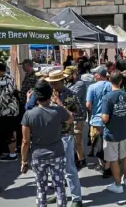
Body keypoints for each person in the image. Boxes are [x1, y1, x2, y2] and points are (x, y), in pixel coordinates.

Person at [21, 80, 73, 207]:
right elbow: (70, 118)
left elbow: (25, 141)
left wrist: (23, 161)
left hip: (38, 156)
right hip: (57, 153)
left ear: (36, 97)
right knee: (59, 187)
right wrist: (60, 104)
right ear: (50, 95)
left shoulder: (29, 115)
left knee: (41, 188)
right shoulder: (58, 111)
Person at [45, 70, 85, 207]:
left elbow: (79, 114)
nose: (53, 86)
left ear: (62, 81)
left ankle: (76, 198)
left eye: (55, 83)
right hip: (52, 136)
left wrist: (60, 104)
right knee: (55, 169)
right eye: (51, 83)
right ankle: (58, 194)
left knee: (69, 168)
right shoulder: (49, 95)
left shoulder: (71, 95)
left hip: (66, 135)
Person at [101, 71, 126, 193]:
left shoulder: (107, 97)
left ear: (110, 80)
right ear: (121, 81)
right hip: (124, 131)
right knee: (124, 156)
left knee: (114, 159)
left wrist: (102, 119)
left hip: (112, 133)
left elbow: (105, 118)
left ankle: (117, 185)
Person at [86, 65, 112, 177]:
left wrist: (93, 111)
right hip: (110, 119)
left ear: (99, 75)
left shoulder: (92, 87)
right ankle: (109, 166)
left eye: (95, 73)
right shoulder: (111, 86)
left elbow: (88, 104)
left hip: (97, 120)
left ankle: (103, 165)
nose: (93, 75)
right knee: (108, 144)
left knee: (97, 144)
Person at [0, 63, 19, 161]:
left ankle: (12, 154)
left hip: (5, 111)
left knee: (9, 133)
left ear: (0, 71)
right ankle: (11, 152)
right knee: (11, 132)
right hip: (12, 110)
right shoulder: (10, 78)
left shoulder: (0, 83)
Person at [64, 66, 87, 169]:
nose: (66, 77)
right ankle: (76, 157)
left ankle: (81, 159)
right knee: (71, 139)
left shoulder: (80, 84)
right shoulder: (68, 83)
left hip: (78, 116)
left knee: (77, 140)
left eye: (68, 75)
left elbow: (72, 96)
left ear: (74, 74)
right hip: (69, 115)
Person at [17, 59, 37, 151]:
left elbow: (34, 91)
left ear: (28, 65)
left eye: (23, 66)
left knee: (30, 125)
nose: (22, 67)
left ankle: (31, 143)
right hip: (24, 102)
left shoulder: (34, 76)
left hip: (29, 103)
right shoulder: (27, 75)